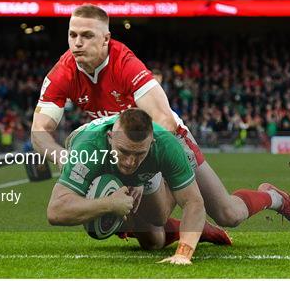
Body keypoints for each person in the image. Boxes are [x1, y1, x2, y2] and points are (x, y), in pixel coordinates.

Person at [32, 4, 290, 238]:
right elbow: (40, 132)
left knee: (228, 213)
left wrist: (139, 174)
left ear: (106, 39)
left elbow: (162, 119)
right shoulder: (62, 72)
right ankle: (189, 231)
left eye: (86, 35)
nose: (77, 43)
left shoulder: (125, 64)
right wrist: (66, 158)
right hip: (123, 146)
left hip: (167, 138)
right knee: (145, 231)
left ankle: (273, 197)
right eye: (72, 35)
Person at [47, 109, 206, 265]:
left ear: (152, 143)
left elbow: (194, 202)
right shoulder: (89, 148)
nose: (130, 162)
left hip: (146, 171)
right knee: (153, 240)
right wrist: (110, 204)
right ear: (110, 138)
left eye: (139, 154)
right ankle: (129, 218)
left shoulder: (167, 145)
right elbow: (56, 211)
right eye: (123, 151)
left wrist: (183, 255)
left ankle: (162, 181)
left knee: (158, 224)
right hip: (98, 163)